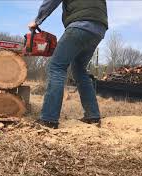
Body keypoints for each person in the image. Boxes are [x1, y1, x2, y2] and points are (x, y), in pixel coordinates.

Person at [28, 0, 108, 129]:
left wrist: (37, 20)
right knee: (79, 69)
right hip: (99, 29)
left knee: (55, 67)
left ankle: (49, 119)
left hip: (80, 25)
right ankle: (93, 115)